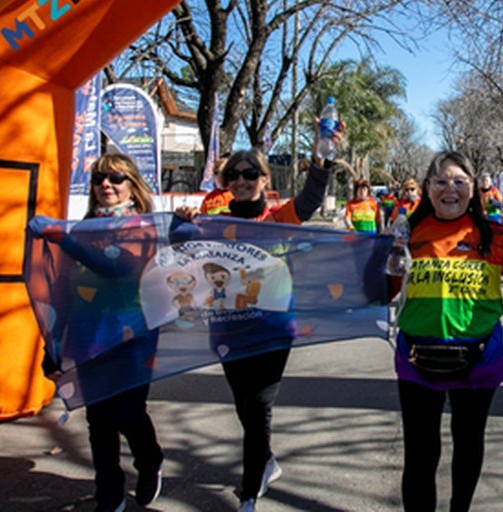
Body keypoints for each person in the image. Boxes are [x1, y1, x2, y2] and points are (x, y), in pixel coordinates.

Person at [176, 131, 338, 512]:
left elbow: (311, 199)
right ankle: (265, 460)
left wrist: (322, 159)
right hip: (228, 328)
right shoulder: (214, 223)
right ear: (226, 182)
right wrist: (180, 222)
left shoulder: (279, 219)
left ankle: (248, 493)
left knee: (259, 406)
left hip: (273, 330)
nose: (242, 180)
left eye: (251, 174)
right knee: (244, 406)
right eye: (234, 174)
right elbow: (179, 250)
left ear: (265, 179)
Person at [392, 151, 503, 512]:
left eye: (460, 181)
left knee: (467, 446)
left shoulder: (492, 235)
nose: (450, 189)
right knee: (420, 454)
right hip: (416, 361)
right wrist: (387, 253)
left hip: (479, 362)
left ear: (474, 188)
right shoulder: (410, 233)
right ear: (427, 188)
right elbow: (379, 290)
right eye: (440, 181)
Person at [49, 153, 165, 512]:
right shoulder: (81, 229)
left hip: (134, 336)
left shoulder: (143, 229)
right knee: (98, 418)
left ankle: (150, 461)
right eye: (99, 178)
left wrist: (67, 242)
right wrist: (52, 346)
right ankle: (109, 493)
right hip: (89, 337)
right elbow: (63, 292)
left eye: (116, 178)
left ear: (132, 186)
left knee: (128, 412)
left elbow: (119, 269)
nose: (106, 185)